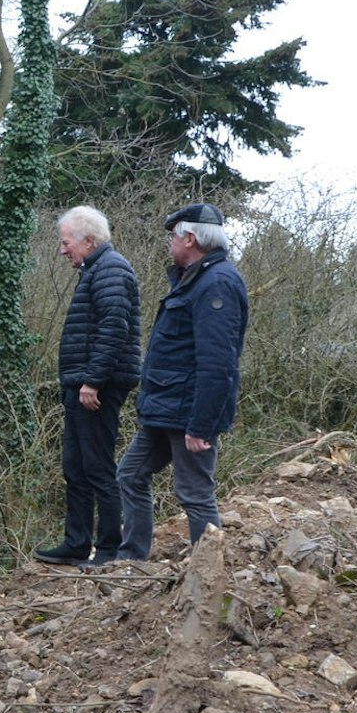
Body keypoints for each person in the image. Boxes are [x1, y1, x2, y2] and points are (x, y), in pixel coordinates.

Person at [115, 202, 250, 562]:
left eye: (172, 237)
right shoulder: (192, 280)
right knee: (130, 475)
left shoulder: (217, 284)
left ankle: (209, 575)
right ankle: (132, 562)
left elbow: (219, 364)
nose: (168, 245)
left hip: (188, 414)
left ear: (189, 238)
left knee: (195, 494)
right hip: (163, 409)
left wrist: (201, 425)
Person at [33, 206, 141, 566]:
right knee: (75, 465)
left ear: (89, 241)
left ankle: (109, 549)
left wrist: (93, 381)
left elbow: (114, 328)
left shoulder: (111, 270)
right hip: (81, 383)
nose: (63, 250)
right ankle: (76, 543)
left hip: (97, 387)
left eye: (66, 243)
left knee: (96, 466)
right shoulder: (95, 271)